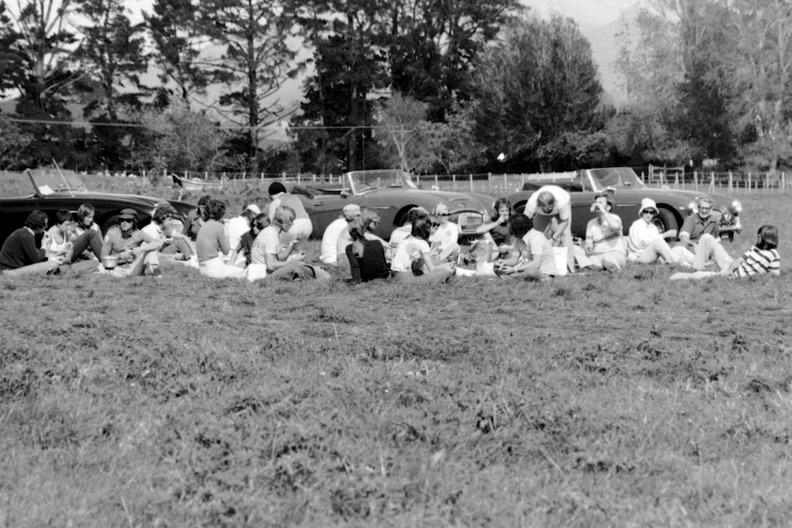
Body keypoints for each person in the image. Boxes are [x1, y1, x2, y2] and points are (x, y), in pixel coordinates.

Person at [671, 225, 779, 280]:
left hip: (735, 277)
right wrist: (730, 269)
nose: (758, 238)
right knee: (707, 237)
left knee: (698, 276)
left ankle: (677, 276)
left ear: (768, 238)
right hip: (731, 267)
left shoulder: (773, 255)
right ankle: (698, 267)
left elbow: (774, 276)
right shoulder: (756, 247)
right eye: (758, 235)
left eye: (760, 236)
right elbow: (740, 259)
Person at [196, 199, 262, 281]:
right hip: (213, 269)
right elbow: (226, 250)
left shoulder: (203, 226)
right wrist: (226, 229)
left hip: (202, 268)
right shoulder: (218, 226)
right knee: (243, 272)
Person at [256, 205, 328, 281]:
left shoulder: (272, 232)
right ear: (285, 222)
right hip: (264, 275)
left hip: (265, 272)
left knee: (301, 264)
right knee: (298, 265)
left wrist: (291, 243)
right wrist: (294, 260)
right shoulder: (271, 236)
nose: (292, 224)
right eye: (291, 222)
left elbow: (280, 257)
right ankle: (322, 277)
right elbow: (270, 266)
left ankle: (318, 274)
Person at [524, 186, 574, 272]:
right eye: (547, 207)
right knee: (535, 235)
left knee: (565, 234)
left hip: (562, 206)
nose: (549, 209)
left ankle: (569, 269)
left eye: (550, 207)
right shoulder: (531, 204)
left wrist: (553, 238)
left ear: (553, 204)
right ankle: (530, 263)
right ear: (539, 205)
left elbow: (564, 222)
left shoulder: (562, 202)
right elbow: (524, 222)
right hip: (541, 213)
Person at [390, 215, 454, 283]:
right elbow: (431, 268)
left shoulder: (406, 238)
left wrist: (427, 256)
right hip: (406, 278)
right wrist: (444, 266)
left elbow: (414, 266)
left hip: (394, 276)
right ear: (426, 229)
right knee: (443, 273)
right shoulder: (423, 243)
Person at [101, 208, 163, 277]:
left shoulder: (139, 234)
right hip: (116, 268)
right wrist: (119, 257)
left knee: (151, 250)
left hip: (133, 267)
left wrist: (142, 248)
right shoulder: (112, 233)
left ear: (134, 221)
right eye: (122, 220)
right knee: (100, 267)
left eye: (128, 220)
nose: (124, 223)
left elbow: (157, 243)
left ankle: (158, 275)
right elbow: (103, 257)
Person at [574, 192, 627, 272]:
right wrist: (588, 248)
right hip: (598, 255)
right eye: (596, 203)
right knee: (574, 249)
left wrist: (603, 211)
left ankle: (608, 267)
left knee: (608, 257)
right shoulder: (591, 223)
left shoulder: (615, 218)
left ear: (608, 207)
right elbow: (589, 244)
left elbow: (615, 227)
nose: (597, 205)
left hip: (615, 254)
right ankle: (600, 266)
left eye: (600, 203)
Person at [496, 214, 557, 281]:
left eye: (511, 230)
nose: (510, 232)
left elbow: (536, 263)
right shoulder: (518, 238)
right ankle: (516, 279)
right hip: (525, 270)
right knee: (497, 268)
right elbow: (514, 259)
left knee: (531, 271)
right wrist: (503, 262)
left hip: (543, 274)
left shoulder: (535, 237)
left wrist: (514, 269)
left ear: (517, 229)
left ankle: (514, 278)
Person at [0, 210, 61, 276]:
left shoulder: (23, 233)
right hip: (10, 271)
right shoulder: (26, 235)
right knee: (52, 265)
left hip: (8, 269)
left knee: (51, 263)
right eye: (45, 224)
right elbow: (37, 261)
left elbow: (35, 258)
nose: (46, 226)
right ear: (38, 225)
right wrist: (44, 244)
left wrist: (52, 258)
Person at [627, 198, 686, 266]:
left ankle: (695, 262)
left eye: (651, 212)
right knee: (659, 242)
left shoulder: (653, 227)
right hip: (638, 257)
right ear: (642, 212)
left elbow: (657, 246)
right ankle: (680, 263)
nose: (648, 214)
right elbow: (644, 242)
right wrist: (665, 235)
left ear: (654, 214)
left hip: (650, 255)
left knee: (679, 250)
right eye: (646, 211)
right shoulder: (637, 225)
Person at [266, 182, 312, 247]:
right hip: (307, 225)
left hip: (291, 225)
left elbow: (268, 222)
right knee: (295, 251)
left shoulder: (276, 201)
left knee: (280, 247)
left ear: (271, 195)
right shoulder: (295, 197)